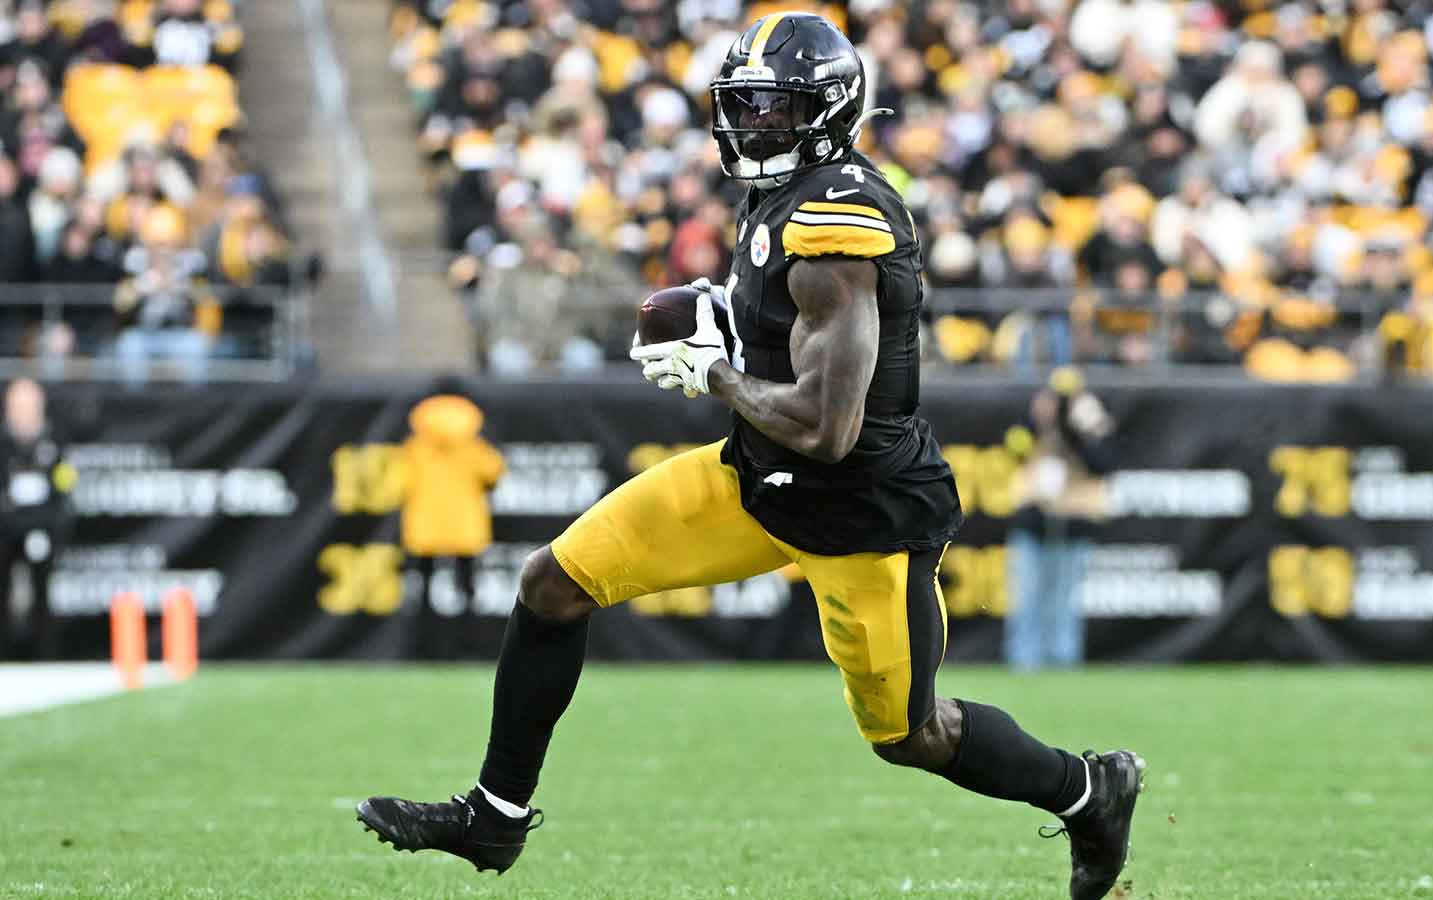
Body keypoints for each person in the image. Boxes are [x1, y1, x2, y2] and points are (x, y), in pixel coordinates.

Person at [356, 15, 1144, 900]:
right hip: (757, 479)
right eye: (741, 104)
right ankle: (493, 819)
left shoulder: (836, 225)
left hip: (857, 511)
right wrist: (728, 322)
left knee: (909, 734)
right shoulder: (781, 195)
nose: (748, 123)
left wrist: (717, 372)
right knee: (554, 582)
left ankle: (1091, 791)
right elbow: (787, 346)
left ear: (826, 109)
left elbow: (827, 428)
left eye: (769, 106)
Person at [1005, 369, 1114, 670]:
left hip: (1073, 525)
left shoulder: (1090, 424)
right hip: (1033, 522)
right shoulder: (1031, 422)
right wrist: (1038, 420)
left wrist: (1085, 426)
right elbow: (1013, 447)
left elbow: (1103, 463)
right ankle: (1024, 662)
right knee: (1027, 599)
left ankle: (1063, 662)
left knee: (1063, 602)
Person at [399, 392, 504, 657]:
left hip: (425, 527)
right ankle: (468, 648)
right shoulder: (474, 447)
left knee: (423, 593)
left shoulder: (415, 447)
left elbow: (398, 482)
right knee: (467, 590)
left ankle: (422, 649)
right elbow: (495, 472)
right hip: (465, 527)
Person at [0, 378, 74, 659]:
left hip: (43, 528)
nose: (23, 411)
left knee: (43, 596)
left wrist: (47, 525)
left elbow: (64, 488)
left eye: (29, 405)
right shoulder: (3, 443)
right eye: (18, 405)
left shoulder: (54, 441)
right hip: (6, 530)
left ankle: (45, 657)